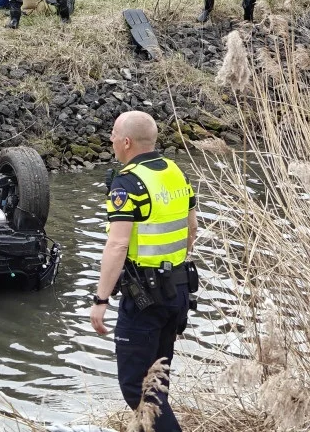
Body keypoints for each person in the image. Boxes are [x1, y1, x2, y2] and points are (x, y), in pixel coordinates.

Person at [91, 110, 198, 432]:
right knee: (156, 383)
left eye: (112, 133)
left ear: (125, 141)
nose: (109, 139)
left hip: (145, 300)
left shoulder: (128, 183)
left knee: (138, 389)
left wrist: (101, 299)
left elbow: (117, 246)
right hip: (177, 291)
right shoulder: (175, 172)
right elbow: (191, 230)